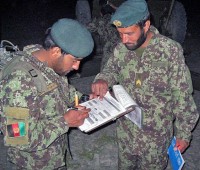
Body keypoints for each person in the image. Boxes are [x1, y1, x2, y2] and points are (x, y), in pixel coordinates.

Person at [91, 0, 199, 169]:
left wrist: (184, 133)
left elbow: (182, 95)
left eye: (129, 33)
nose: (124, 39)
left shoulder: (169, 51)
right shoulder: (121, 48)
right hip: (126, 132)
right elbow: (111, 69)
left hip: (155, 137)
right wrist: (103, 79)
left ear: (146, 25)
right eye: (120, 34)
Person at [0, 18, 94, 169]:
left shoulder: (47, 60)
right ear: (56, 51)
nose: (77, 67)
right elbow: (17, 137)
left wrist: (84, 98)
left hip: (53, 156)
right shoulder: (18, 82)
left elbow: (59, 89)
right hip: (32, 164)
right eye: (75, 60)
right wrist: (64, 122)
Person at [86, 0, 120, 71]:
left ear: (101, 13)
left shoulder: (99, 21)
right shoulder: (118, 19)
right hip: (122, 45)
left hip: (109, 47)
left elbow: (87, 28)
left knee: (105, 70)